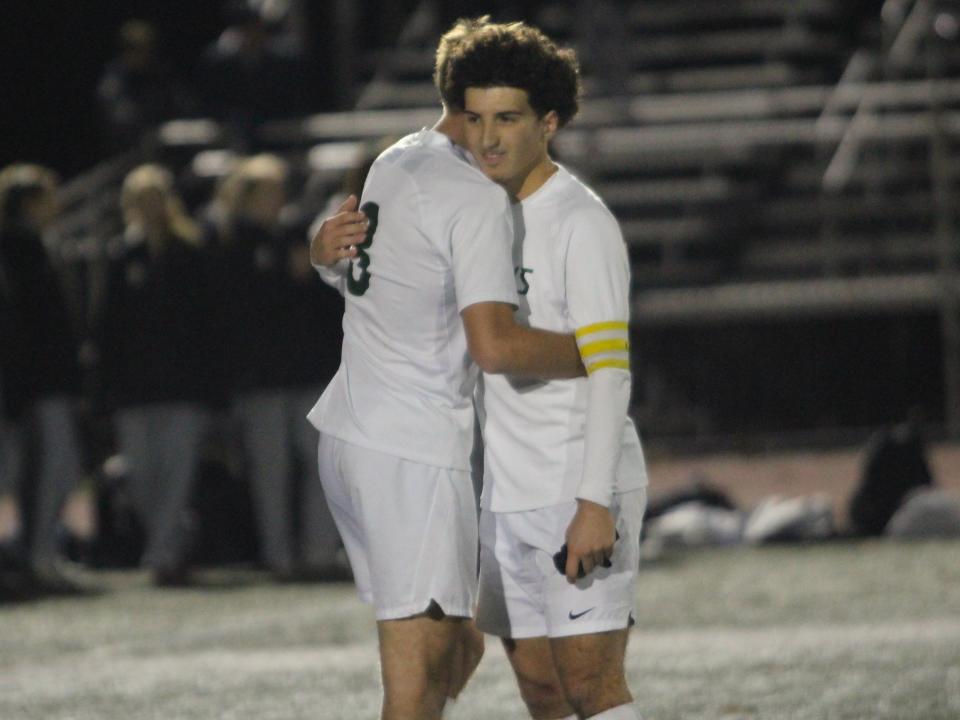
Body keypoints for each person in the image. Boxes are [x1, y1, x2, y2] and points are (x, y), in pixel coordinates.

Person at [307, 16, 585, 720]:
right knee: (419, 678)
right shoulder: (474, 196)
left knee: (459, 649)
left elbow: (375, 277)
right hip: (410, 452)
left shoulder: (397, 158)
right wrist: (595, 353)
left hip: (355, 435)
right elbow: (494, 347)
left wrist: (319, 258)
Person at [445, 21, 648, 719]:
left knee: (592, 688)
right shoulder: (480, 215)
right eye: (475, 118)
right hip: (507, 492)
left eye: (508, 118)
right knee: (540, 686)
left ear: (549, 122)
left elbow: (610, 372)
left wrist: (595, 503)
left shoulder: (578, 222)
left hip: (575, 486)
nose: (488, 137)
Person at [209, 154, 346, 581]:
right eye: (267, 192)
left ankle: (319, 550)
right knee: (270, 470)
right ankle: (278, 555)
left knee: (322, 465)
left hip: (306, 372)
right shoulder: (229, 244)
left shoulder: (295, 235)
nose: (277, 199)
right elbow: (230, 314)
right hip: (260, 379)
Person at [95, 164, 215, 586]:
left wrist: (212, 387)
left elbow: (208, 324)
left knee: (177, 474)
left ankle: (161, 555)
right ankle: (173, 544)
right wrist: (104, 390)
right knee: (143, 477)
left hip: (183, 386)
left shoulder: (191, 253)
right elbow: (107, 327)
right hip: (135, 389)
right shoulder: (120, 256)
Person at [0, 163, 87, 594]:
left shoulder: (38, 245)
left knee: (50, 469)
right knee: (40, 469)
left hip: (37, 381)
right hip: (31, 382)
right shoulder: (18, 248)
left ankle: (38, 556)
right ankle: (32, 557)